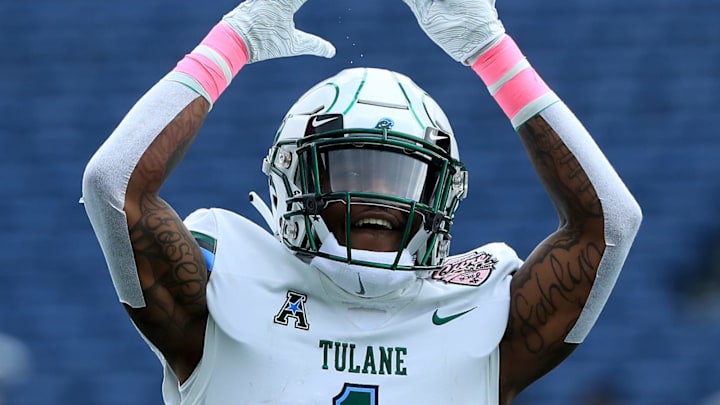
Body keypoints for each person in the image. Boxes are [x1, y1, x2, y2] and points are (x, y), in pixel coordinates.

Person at [81, 0, 642, 403]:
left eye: (403, 179)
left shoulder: (480, 313)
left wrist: (491, 50)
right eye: (350, 168)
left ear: (440, 192)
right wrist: (237, 40)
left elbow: (612, 225)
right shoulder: (225, 288)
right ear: (295, 179)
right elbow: (112, 185)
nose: (375, 199)